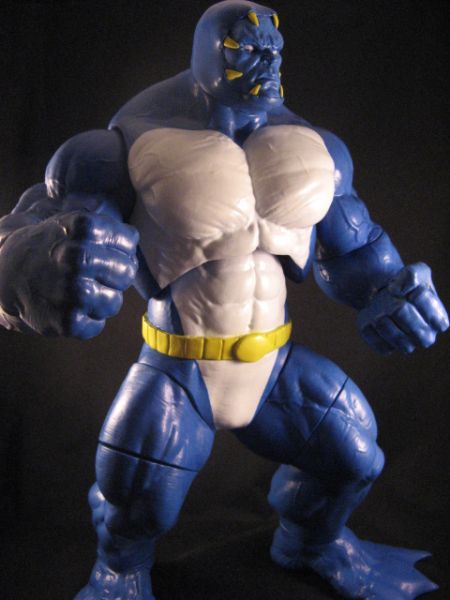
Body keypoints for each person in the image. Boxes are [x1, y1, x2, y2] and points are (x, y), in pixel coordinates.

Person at [0, 1, 447, 598]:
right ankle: (117, 575)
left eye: (273, 50)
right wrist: (31, 266)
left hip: (275, 366)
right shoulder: (120, 147)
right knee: (137, 505)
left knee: (354, 461)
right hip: (178, 368)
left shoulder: (316, 149)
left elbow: (356, 251)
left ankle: (311, 543)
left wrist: (394, 294)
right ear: (205, 53)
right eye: (246, 50)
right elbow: (32, 231)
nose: (268, 62)